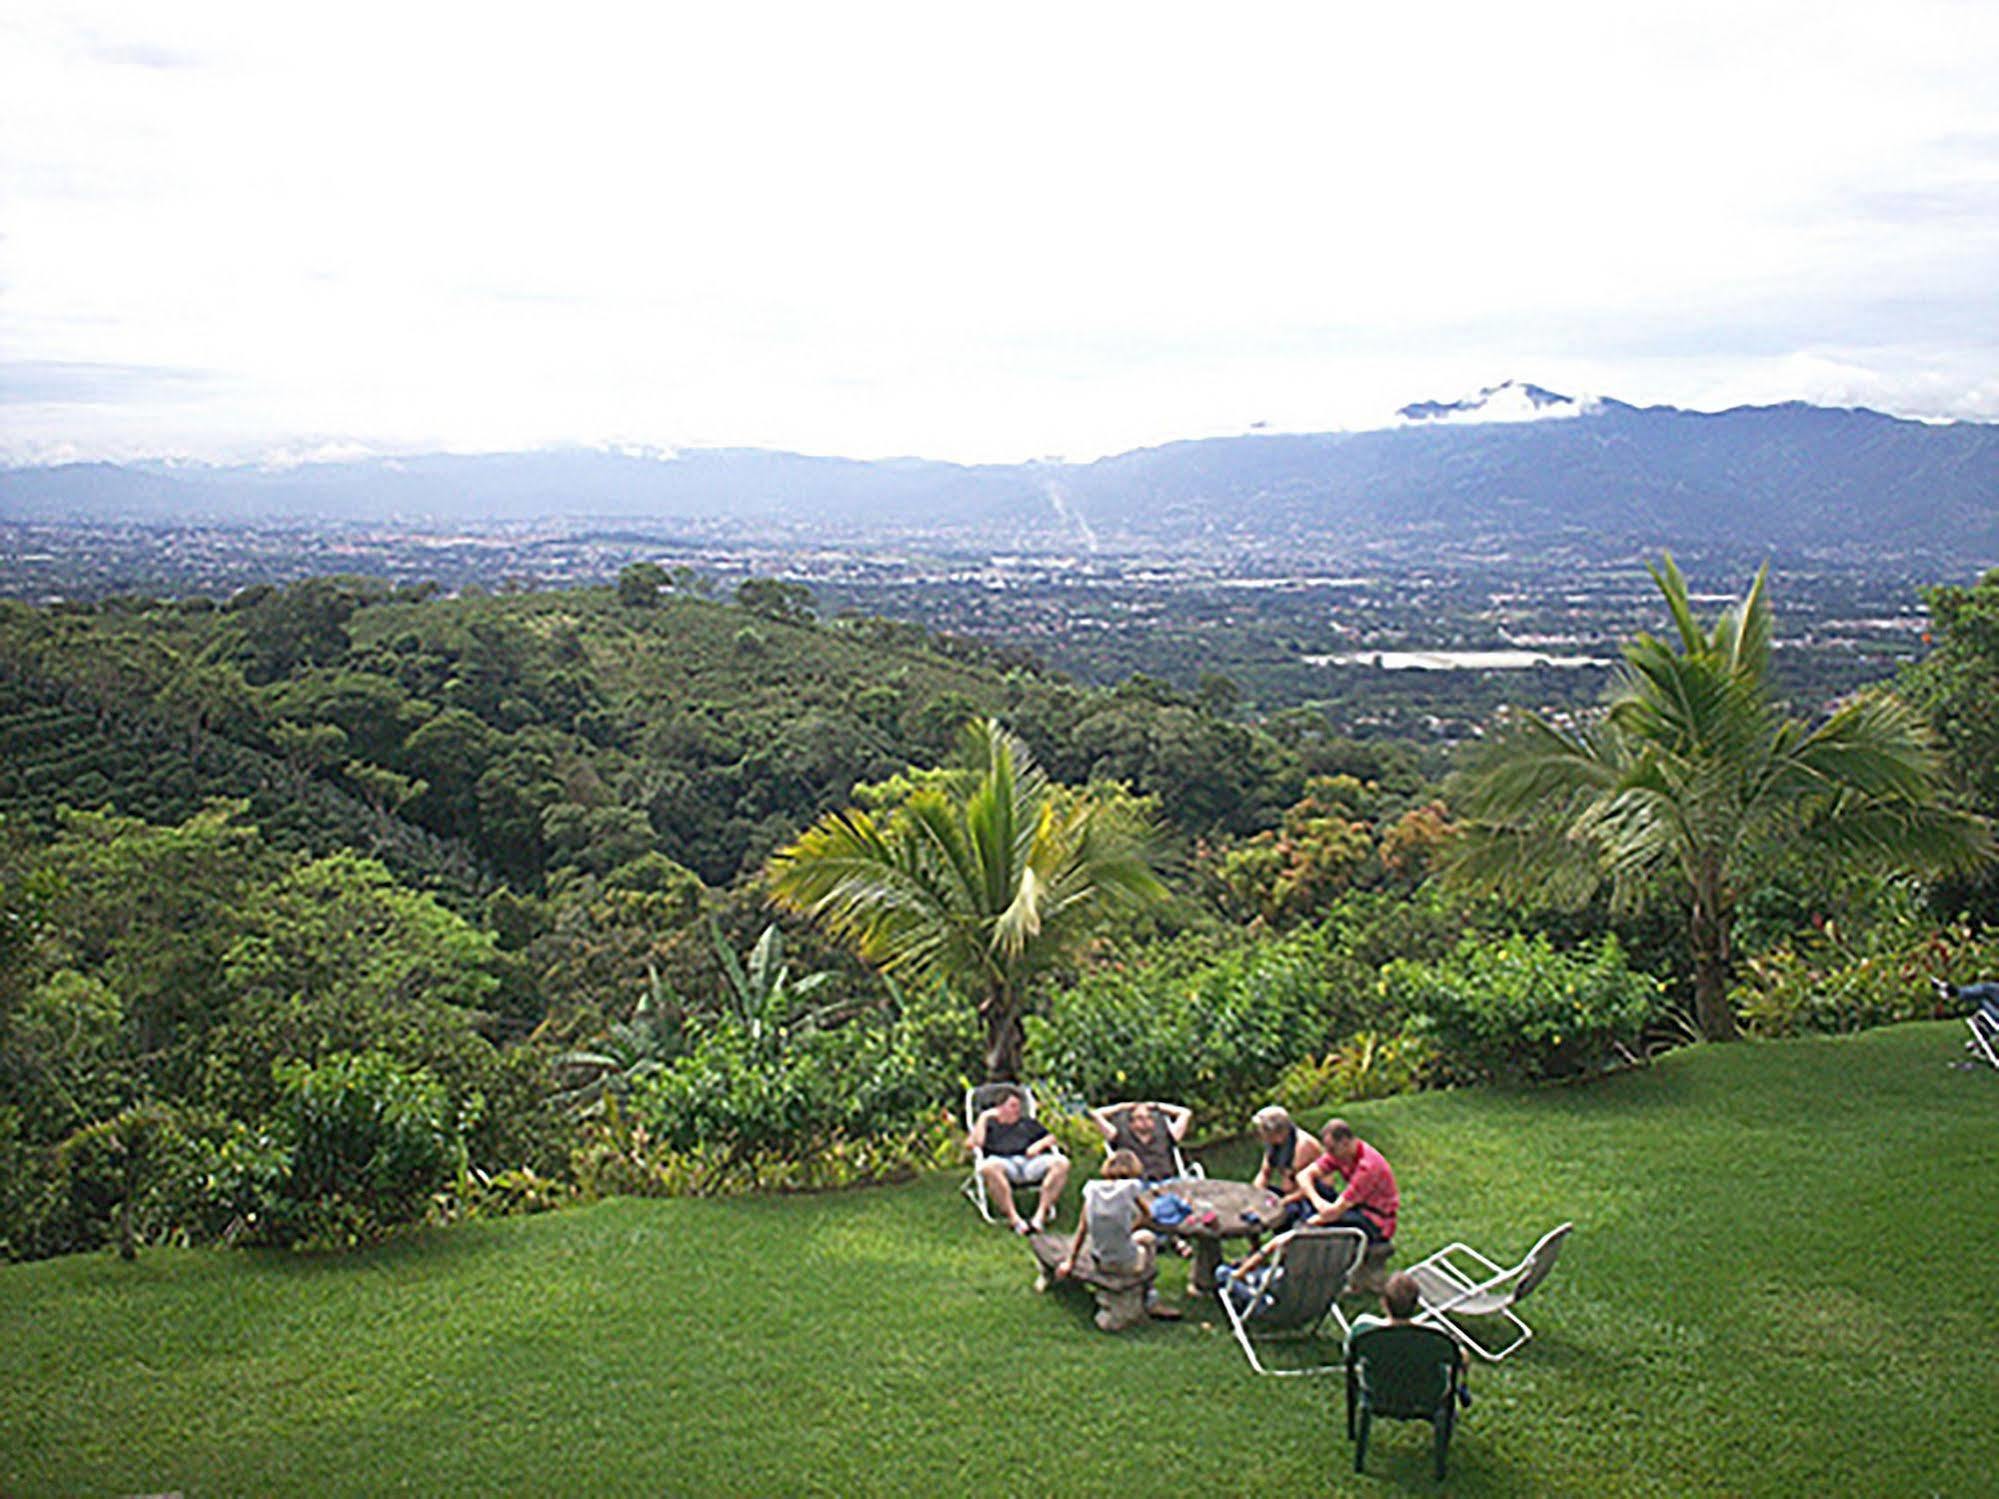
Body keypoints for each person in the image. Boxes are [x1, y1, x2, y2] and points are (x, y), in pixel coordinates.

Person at [969, 1085, 1070, 1235]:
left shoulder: (1027, 1123)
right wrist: (984, 1117)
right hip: (1003, 1162)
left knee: (1062, 1163)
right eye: (1012, 1106)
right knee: (988, 1167)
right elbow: (974, 1144)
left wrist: (1039, 1145)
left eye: (1018, 1106)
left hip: (1030, 1162)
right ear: (1000, 1108)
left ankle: (1040, 1217)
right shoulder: (989, 1125)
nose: (1017, 1109)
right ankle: (1015, 1220)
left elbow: (1050, 1137)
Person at [1056, 1149, 1155, 1278]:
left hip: (1101, 1262)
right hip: (1127, 1264)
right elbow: (1148, 1215)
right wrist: (1130, 1228)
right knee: (1148, 1237)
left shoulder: (1092, 1189)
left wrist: (1070, 1261)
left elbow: (1082, 1229)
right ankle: (1148, 1286)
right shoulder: (1131, 1187)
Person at [1299, 1118, 1398, 1246]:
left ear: (1345, 1143)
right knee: (1317, 1188)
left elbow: (1335, 1211)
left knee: (1319, 1226)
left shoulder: (1368, 1167)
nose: (1329, 1154)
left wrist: (1308, 1224)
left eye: (1332, 1149)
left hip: (1374, 1220)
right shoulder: (1341, 1154)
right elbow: (1303, 1176)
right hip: (1353, 1207)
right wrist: (1318, 1202)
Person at [1249, 1104, 1319, 1228]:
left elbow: (1305, 1187)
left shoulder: (1302, 1146)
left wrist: (1281, 1202)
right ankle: (1257, 1244)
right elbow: (1264, 1173)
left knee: (1283, 1214)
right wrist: (1255, 1195)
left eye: (1262, 1130)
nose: (1259, 1134)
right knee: (1251, 1212)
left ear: (1276, 1131)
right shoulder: (1273, 1143)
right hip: (1290, 1195)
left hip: (1312, 1197)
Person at [1089, 1100, 1191, 1184]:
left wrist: (1157, 1106)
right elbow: (1096, 1114)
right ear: (1131, 1123)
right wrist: (1122, 1107)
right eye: (1140, 1118)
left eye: (1149, 1117)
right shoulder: (1119, 1135)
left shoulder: (1166, 1134)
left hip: (1164, 1181)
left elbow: (1185, 1113)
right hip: (1133, 1184)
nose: (1145, 1121)